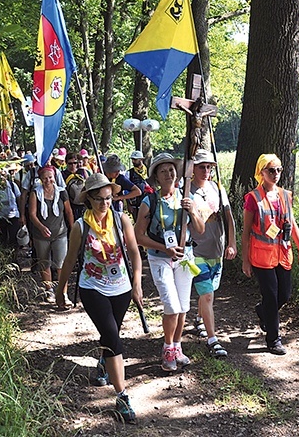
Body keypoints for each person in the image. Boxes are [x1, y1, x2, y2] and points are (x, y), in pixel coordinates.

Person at [55, 173, 143, 425]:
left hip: (122, 287)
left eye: (109, 198)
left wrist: (137, 284)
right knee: (113, 337)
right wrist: (60, 290)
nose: (105, 204)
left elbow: (135, 254)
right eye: (99, 200)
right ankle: (122, 396)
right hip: (93, 287)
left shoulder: (121, 219)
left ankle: (104, 365)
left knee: (110, 334)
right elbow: (70, 260)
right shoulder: (80, 227)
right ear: (89, 200)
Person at [134, 153, 205, 372]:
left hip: (185, 258)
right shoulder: (150, 201)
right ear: (156, 175)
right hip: (160, 258)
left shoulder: (186, 198)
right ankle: (167, 348)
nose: (168, 174)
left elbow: (200, 230)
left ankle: (177, 347)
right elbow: (138, 235)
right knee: (171, 305)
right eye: (163, 171)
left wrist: (192, 211)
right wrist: (165, 248)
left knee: (183, 306)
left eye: (171, 170)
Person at [241, 154, 299, 355]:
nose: (276, 174)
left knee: (284, 295)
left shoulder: (285, 195)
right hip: (261, 256)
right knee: (270, 296)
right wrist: (245, 260)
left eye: (279, 169)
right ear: (261, 172)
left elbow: (292, 224)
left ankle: (263, 312)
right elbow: (245, 233)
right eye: (271, 170)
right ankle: (273, 339)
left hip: (283, 254)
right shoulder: (253, 198)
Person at [190, 149, 237, 357]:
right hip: (196, 250)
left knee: (210, 292)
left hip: (216, 250)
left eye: (209, 167)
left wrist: (232, 243)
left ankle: (200, 319)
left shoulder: (218, 189)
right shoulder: (185, 190)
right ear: (192, 167)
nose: (206, 170)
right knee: (207, 295)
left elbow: (228, 217)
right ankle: (212, 340)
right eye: (202, 166)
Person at [28, 166, 74, 305]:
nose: (48, 180)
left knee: (61, 264)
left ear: (55, 177)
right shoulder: (35, 193)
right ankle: (49, 291)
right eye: (45, 178)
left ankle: (63, 293)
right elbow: (32, 214)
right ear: (40, 179)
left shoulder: (62, 192)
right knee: (44, 263)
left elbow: (68, 212)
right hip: (40, 235)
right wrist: (41, 227)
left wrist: (73, 229)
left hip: (60, 233)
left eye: (50, 177)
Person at [0, 167, 21, 249]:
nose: (1, 177)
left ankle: (13, 259)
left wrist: (22, 216)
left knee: (14, 240)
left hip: (13, 216)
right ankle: (1, 259)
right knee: (0, 241)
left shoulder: (12, 186)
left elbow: (19, 200)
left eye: (3, 175)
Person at [63, 152, 88, 220]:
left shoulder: (82, 171)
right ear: (66, 163)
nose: (73, 165)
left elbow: (88, 184)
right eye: (70, 163)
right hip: (70, 204)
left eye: (75, 163)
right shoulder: (63, 174)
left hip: (83, 203)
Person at [126, 150, 149, 222]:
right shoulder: (129, 173)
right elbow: (126, 190)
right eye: (132, 159)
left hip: (147, 200)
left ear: (141, 159)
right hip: (135, 202)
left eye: (135, 159)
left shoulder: (148, 171)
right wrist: (128, 204)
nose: (133, 161)